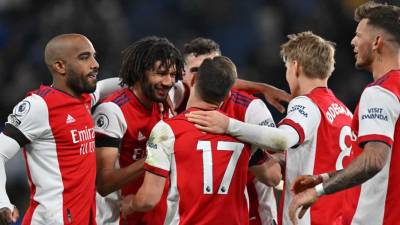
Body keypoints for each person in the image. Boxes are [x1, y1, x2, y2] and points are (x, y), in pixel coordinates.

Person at [186, 31, 353, 225]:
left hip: (309, 217)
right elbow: (319, 155)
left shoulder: (307, 104)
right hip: (338, 216)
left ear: (296, 66)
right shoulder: (343, 111)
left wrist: (228, 125)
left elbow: (282, 139)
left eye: (287, 67)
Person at [120, 56, 279, 225]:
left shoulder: (165, 130)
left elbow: (148, 199)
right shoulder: (242, 133)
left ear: (194, 79)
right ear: (228, 95)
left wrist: (131, 204)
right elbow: (273, 176)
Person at [288, 2, 400, 225]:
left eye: (359, 35)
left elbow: (374, 160)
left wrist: (318, 190)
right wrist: (326, 177)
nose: (353, 41)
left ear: (377, 42)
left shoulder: (379, 93)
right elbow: (380, 161)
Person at [0, 33, 121, 225]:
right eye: (84, 57)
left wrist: (140, 77)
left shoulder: (84, 99)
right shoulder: (39, 106)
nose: (95, 63)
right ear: (59, 66)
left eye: (94, 56)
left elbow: (103, 87)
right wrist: (2, 202)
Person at [182, 37, 281, 225]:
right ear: (183, 75)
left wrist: (241, 142)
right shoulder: (174, 101)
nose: (205, 78)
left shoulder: (251, 108)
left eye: (211, 70)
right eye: (196, 71)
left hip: (253, 218)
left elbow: (274, 174)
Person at [94, 36, 184, 225]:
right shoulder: (113, 111)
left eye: (173, 74)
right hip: (121, 217)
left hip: (162, 217)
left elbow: (207, 82)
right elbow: (103, 184)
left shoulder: (169, 95)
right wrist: (154, 158)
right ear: (140, 72)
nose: (168, 82)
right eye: (160, 73)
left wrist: (258, 87)